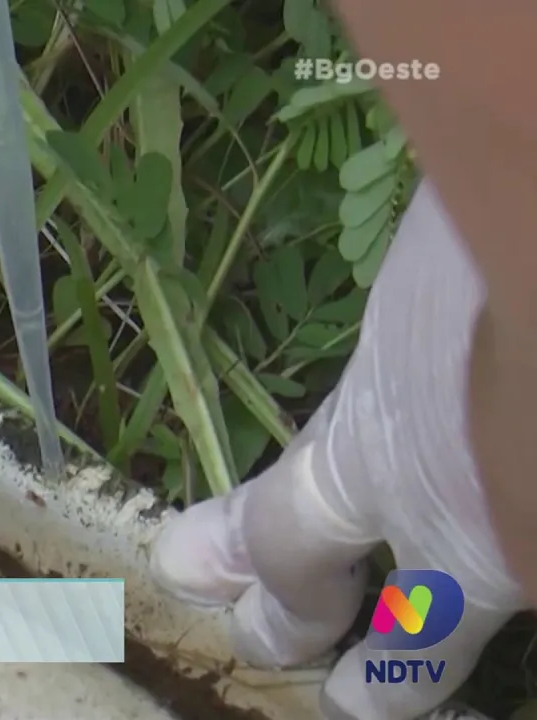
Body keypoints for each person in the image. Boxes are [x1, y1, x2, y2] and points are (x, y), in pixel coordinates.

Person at [150, 4, 537, 719]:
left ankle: (376, 667)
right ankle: (291, 601)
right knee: (286, 529)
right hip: (385, 397)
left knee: (410, 647)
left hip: (481, 532)